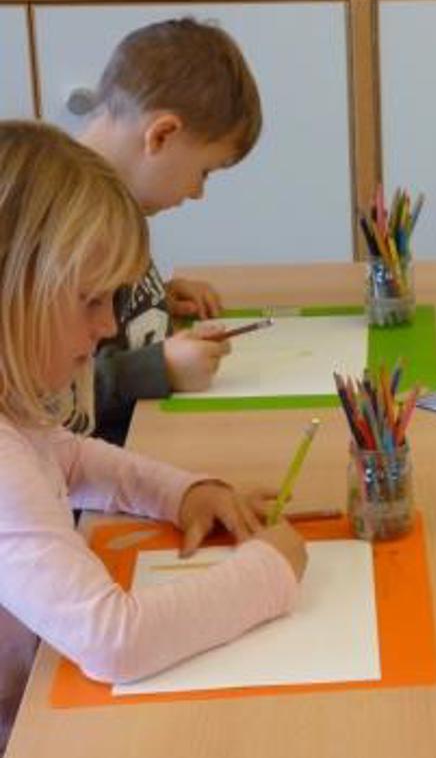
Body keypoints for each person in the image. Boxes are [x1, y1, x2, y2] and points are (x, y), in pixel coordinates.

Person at [0, 121, 305, 749]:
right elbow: (116, 640)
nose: (108, 325)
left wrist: (182, 493)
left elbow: (69, 458)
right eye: (89, 301)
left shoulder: (16, 417)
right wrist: (269, 572)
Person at [79, 18, 263, 444]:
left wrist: (158, 298)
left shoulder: (119, 205)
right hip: (94, 484)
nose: (198, 192)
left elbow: (110, 327)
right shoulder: (67, 226)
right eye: (205, 172)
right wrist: (156, 369)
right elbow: (41, 397)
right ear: (161, 135)